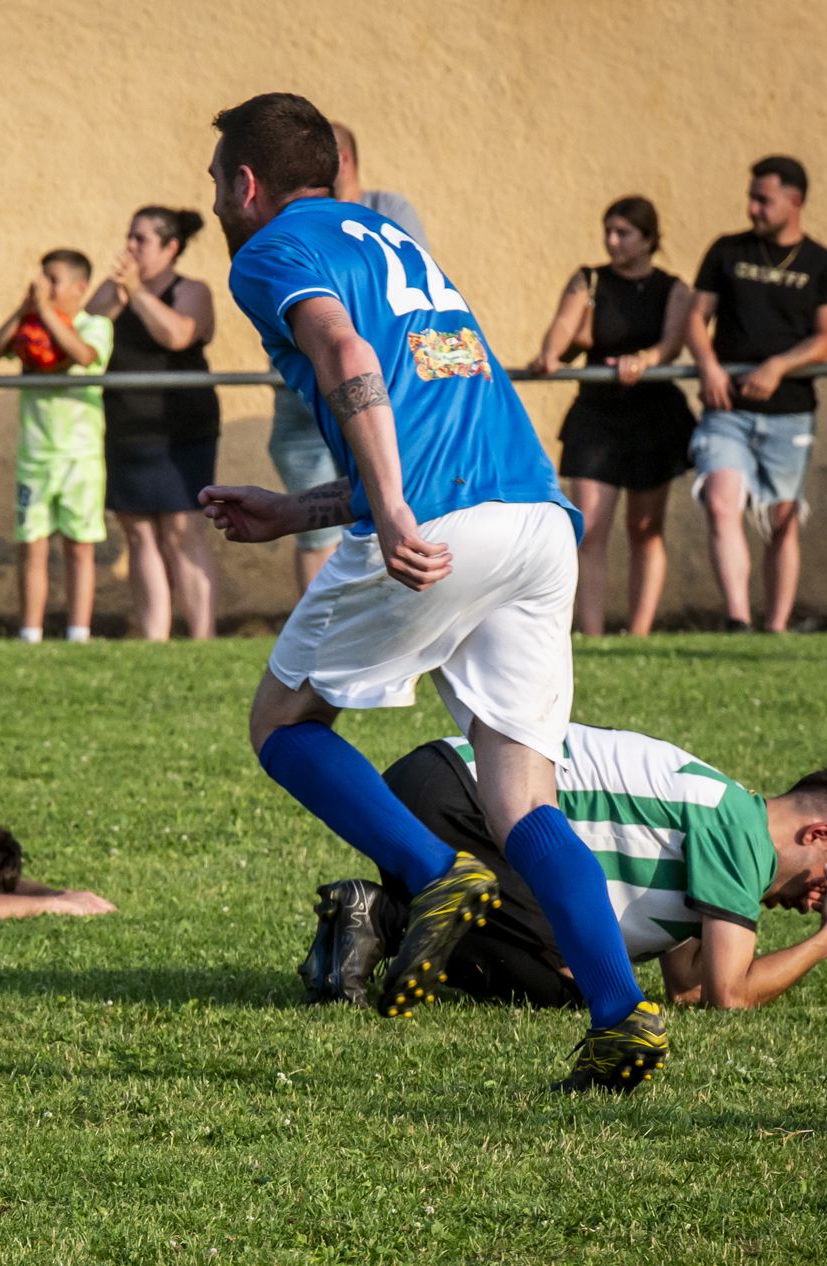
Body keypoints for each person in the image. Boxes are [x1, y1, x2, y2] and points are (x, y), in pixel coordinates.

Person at [201, 91, 665, 1094]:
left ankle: (431, 869)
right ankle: (619, 1013)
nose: (216, 205)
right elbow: (416, 415)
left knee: (281, 723)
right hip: (535, 519)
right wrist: (295, 512)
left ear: (246, 183)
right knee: (520, 797)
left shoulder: (271, 249)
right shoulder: (393, 243)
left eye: (216, 186)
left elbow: (348, 359)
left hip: (443, 523)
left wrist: (394, 514)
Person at [300, 727, 827, 1020]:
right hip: (464, 797)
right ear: (816, 834)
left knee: (582, 972)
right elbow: (729, 994)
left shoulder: (726, 819)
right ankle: (386, 918)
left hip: (440, 785)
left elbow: (689, 988)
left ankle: (373, 921)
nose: (816, 902)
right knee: (573, 975)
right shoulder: (739, 831)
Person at [686, 157, 827, 634]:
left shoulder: (824, 264)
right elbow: (695, 318)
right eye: (751, 198)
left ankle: (775, 628)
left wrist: (778, 366)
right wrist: (708, 365)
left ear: (794, 201)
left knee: (782, 520)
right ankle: (737, 619)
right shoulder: (727, 251)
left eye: (763, 199)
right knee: (721, 502)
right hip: (727, 410)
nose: (752, 208)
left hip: (790, 411)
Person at [526, 196, 695, 636]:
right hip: (597, 415)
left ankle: (639, 634)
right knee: (590, 525)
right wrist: (550, 354)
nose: (612, 241)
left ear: (649, 239)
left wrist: (645, 360)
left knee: (645, 528)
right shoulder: (590, 279)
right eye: (608, 231)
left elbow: (671, 344)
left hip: (654, 416)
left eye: (624, 233)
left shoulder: (673, 288)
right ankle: (593, 632)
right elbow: (564, 326)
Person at [276, 123, 432, 597]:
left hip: (371, 389)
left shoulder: (386, 211)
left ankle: (374, 617)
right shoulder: (290, 222)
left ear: (339, 159)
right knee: (314, 530)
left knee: (384, 510)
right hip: (304, 398)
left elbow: (400, 293)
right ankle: (321, 622)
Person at [86, 207, 221, 640]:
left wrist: (137, 293)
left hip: (182, 430)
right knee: (139, 532)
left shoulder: (193, 290)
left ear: (170, 247)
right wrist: (122, 290)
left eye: (140, 239)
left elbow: (178, 335)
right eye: (129, 236)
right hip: (127, 427)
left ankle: (202, 638)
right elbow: (89, 321)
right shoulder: (120, 288)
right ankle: (154, 640)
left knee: (182, 531)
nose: (130, 246)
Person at [0, 249, 113, 643]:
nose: (45, 288)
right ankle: (30, 633)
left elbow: (82, 355)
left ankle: (78, 633)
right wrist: (22, 313)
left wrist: (45, 313)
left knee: (79, 547)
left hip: (80, 457)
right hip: (35, 456)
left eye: (53, 280)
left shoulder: (95, 325)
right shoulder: (31, 326)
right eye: (43, 279)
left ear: (79, 287)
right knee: (32, 546)